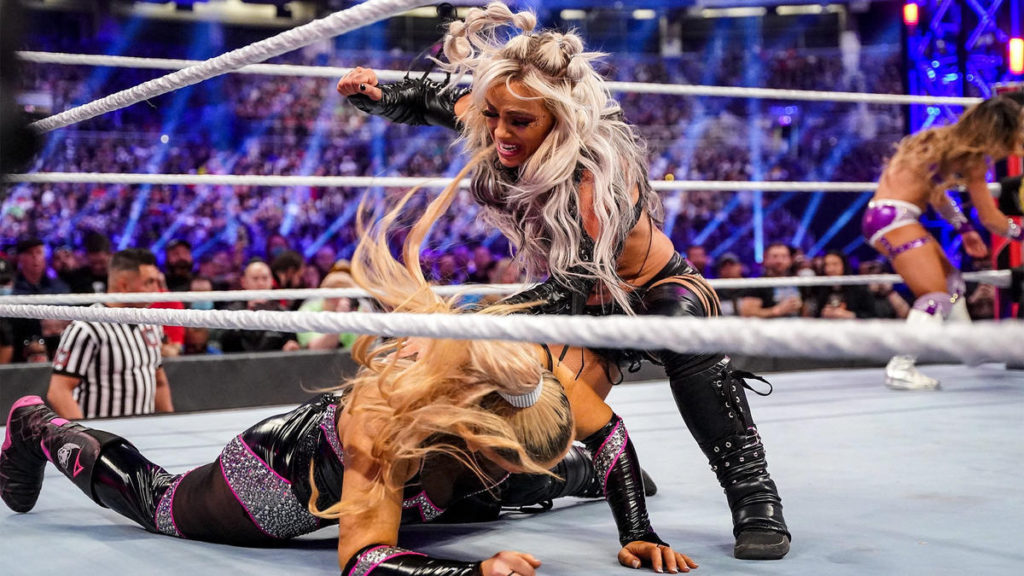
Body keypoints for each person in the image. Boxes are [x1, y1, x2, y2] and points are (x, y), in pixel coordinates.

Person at [0, 179, 695, 576]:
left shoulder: (523, 374)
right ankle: (37, 426)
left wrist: (636, 526)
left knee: (531, 478)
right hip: (285, 477)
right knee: (157, 502)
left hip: (451, 460)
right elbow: (363, 560)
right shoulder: (379, 429)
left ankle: (561, 475)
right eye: (502, 451)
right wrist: (473, 573)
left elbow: (608, 433)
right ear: (473, 425)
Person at [338, 2, 789, 559]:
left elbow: (574, 282)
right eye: (493, 115)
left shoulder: (598, 175)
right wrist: (377, 96)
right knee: (525, 430)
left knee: (684, 330)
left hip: (650, 290)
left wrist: (478, 323)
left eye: (519, 122)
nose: (500, 131)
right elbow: (432, 101)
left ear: (560, 120)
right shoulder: (502, 112)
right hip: (584, 305)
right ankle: (578, 472)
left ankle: (755, 498)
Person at [862, 92, 1024, 390]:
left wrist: (963, 228)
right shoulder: (973, 159)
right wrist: (1020, 232)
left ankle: (968, 347)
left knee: (951, 285)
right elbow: (991, 218)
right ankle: (901, 367)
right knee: (934, 297)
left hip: (884, 216)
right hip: (896, 222)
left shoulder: (936, 140)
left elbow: (936, 194)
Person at [47, 248, 174, 420]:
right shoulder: (87, 327)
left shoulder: (150, 324)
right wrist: (86, 434)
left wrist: (170, 425)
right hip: (101, 431)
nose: (156, 290)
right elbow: (58, 391)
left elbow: (159, 382)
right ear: (124, 285)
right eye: (149, 282)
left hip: (144, 430)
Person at [220, 260, 300, 353]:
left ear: (271, 281)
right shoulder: (231, 312)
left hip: (273, 361)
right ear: (244, 281)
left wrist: (290, 346)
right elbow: (224, 344)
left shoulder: (282, 313)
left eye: (265, 278)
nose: (261, 283)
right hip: (239, 361)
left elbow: (291, 342)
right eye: (255, 278)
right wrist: (249, 314)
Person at [737, 243, 803, 319]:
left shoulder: (798, 281)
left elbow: (806, 309)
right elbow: (747, 312)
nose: (779, 261)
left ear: (790, 260)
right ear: (766, 259)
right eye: (775, 256)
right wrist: (776, 311)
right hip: (768, 325)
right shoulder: (758, 284)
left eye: (784, 256)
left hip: (797, 324)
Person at [805, 250, 877, 319]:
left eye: (835, 264)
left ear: (844, 265)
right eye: (827, 265)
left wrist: (849, 315)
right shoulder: (819, 288)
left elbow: (872, 315)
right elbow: (813, 315)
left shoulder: (859, 288)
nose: (830, 269)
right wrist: (823, 314)